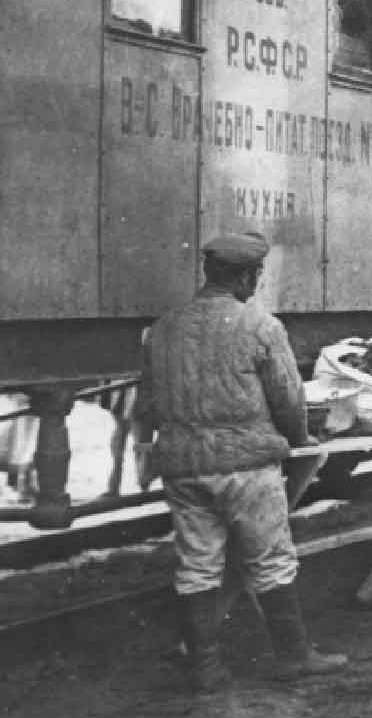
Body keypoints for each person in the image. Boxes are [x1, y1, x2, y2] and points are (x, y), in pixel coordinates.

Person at [139, 232, 345, 690]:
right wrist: (299, 439)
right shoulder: (261, 326)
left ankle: (205, 668)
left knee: (197, 563)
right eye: (257, 274)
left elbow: (148, 405)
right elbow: (289, 400)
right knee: (271, 559)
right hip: (246, 466)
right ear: (245, 276)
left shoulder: (162, 328)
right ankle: (293, 656)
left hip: (184, 466)